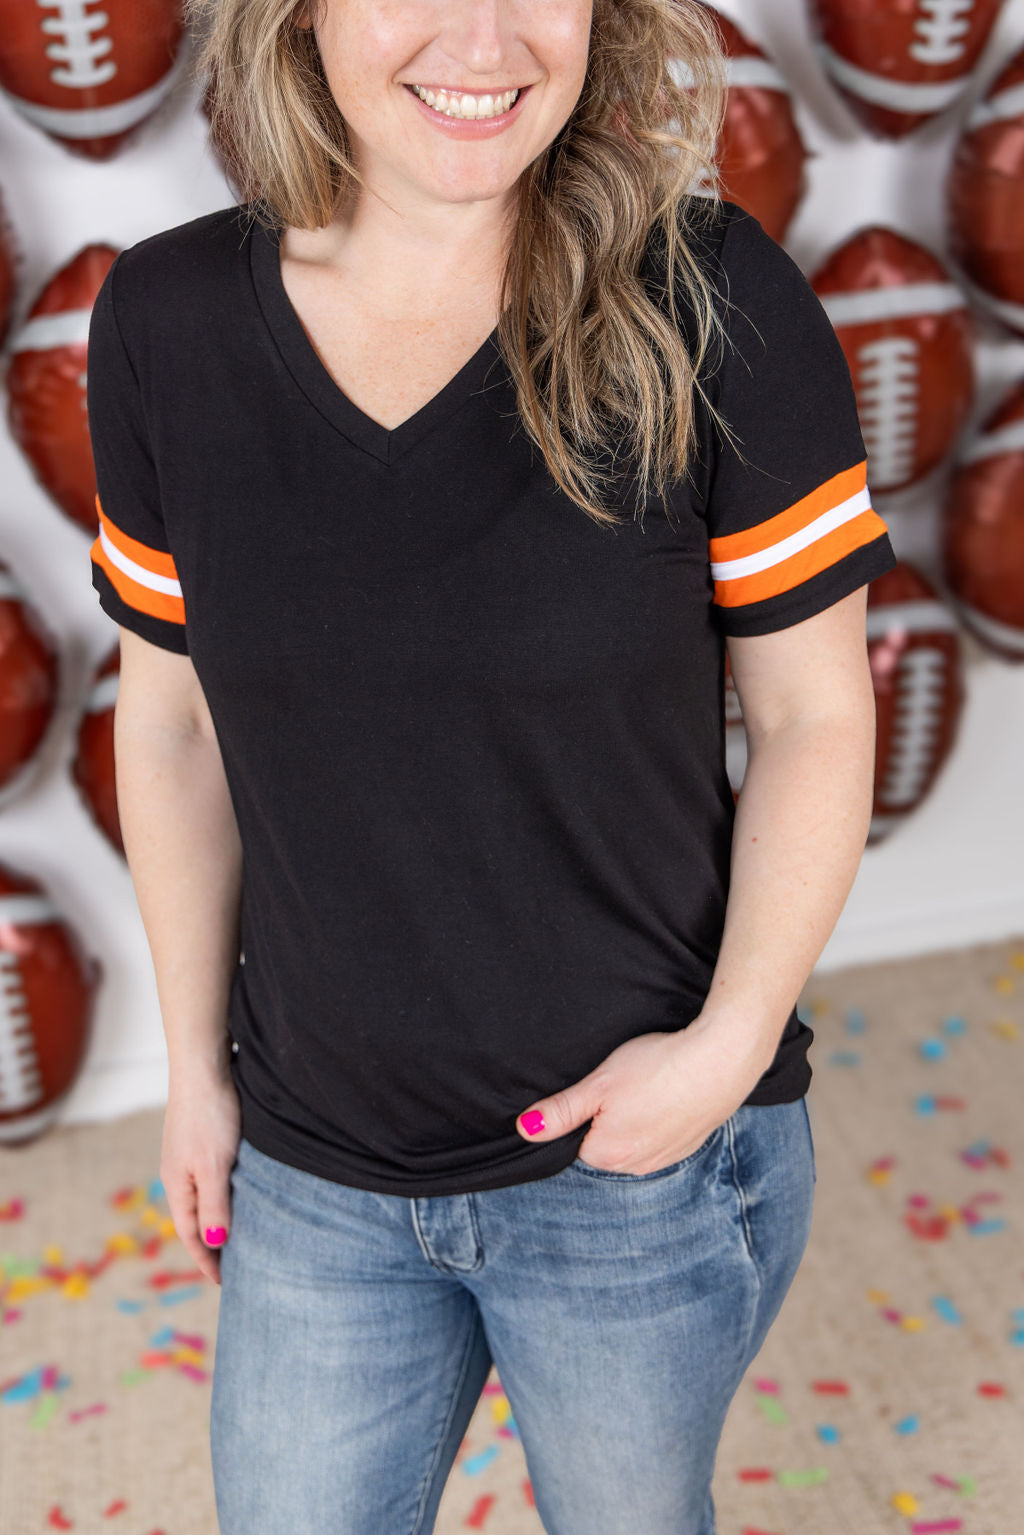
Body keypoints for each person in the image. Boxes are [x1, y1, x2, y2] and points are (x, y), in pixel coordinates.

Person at [86, 1, 898, 1531]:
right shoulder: (164, 321)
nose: (488, 39)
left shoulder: (716, 300)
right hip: (315, 1160)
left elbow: (814, 719)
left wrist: (724, 1051)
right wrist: (193, 1067)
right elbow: (175, 724)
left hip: (634, 1167)